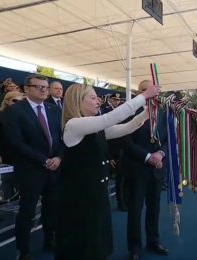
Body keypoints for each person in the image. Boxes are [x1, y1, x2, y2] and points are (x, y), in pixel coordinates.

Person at [55, 83, 158, 259]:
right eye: (93, 97)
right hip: (79, 199)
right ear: (77, 101)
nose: (98, 101)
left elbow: (125, 128)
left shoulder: (94, 128)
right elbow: (110, 118)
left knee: (97, 243)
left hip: (96, 196)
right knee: (81, 245)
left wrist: (146, 114)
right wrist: (143, 96)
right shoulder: (74, 125)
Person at [3, 74, 64, 260]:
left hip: (54, 168)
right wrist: (43, 160)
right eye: (39, 87)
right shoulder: (15, 111)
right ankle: (24, 249)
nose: (44, 89)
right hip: (30, 169)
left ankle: (50, 239)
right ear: (27, 89)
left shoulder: (54, 110)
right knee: (27, 211)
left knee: (52, 208)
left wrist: (60, 157)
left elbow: (64, 137)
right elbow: (16, 143)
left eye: (46, 86)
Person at [121, 80, 169, 260]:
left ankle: (153, 240)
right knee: (135, 209)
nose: (153, 93)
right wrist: (148, 157)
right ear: (139, 92)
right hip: (136, 168)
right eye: (148, 90)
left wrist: (161, 154)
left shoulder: (163, 113)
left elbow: (168, 139)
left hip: (157, 169)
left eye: (155, 90)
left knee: (154, 207)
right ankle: (134, 247)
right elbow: (125, 141)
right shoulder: (129, 111)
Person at [0, 91, 25, 165]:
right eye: (15, 101)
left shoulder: (24, 116)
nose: (18, 103)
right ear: (7, 101)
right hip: (5, 152)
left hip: (20, 152)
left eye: (21, 101)